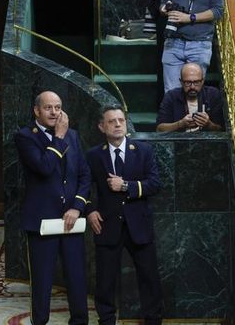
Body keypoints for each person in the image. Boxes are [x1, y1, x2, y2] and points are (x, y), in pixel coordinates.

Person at [13, 91, 90, 325]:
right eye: (49, 108)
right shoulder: (26, 137)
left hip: (71, 220)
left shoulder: (73, 136)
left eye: (58, 107)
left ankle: (79, 322)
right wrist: (59, 137)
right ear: (36, 110)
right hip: (42, 221)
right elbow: (45, 167)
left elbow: (84, 175)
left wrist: (77, 206)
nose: (55, 112)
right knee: (43, 280)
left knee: (77, 278)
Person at [86, 105, 163, 325]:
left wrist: (126, 186)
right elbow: (84, 186)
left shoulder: (143, 151)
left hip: (139, 225)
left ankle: (154, 320)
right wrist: (90, 210)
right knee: (105, 280)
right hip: (107, 225)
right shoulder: (93, 155)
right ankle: (107, 320)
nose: (118, 124)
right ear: (102, 126)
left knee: (149, 278)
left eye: (121, 120)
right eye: (112, 121)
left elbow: (155, 184)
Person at [158, 0, 223, 93]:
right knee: (171, 92)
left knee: (193, 93)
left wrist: (189, 17)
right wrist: (166, 9)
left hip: (199, 43)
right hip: (173, 42)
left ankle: (191, 118)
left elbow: (218, 11)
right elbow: (162, 5)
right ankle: (176, 118)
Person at [156, 63, 224, 132]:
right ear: (181, 82)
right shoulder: (171, 96)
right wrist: (180, 124)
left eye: (196, 82)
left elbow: (223, 130)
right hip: (179, 141)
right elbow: (159, 129)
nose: (192, 87)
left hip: (207, 142)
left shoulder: (213, 94)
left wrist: (208, 124)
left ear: (202, 81)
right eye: (187, 82)